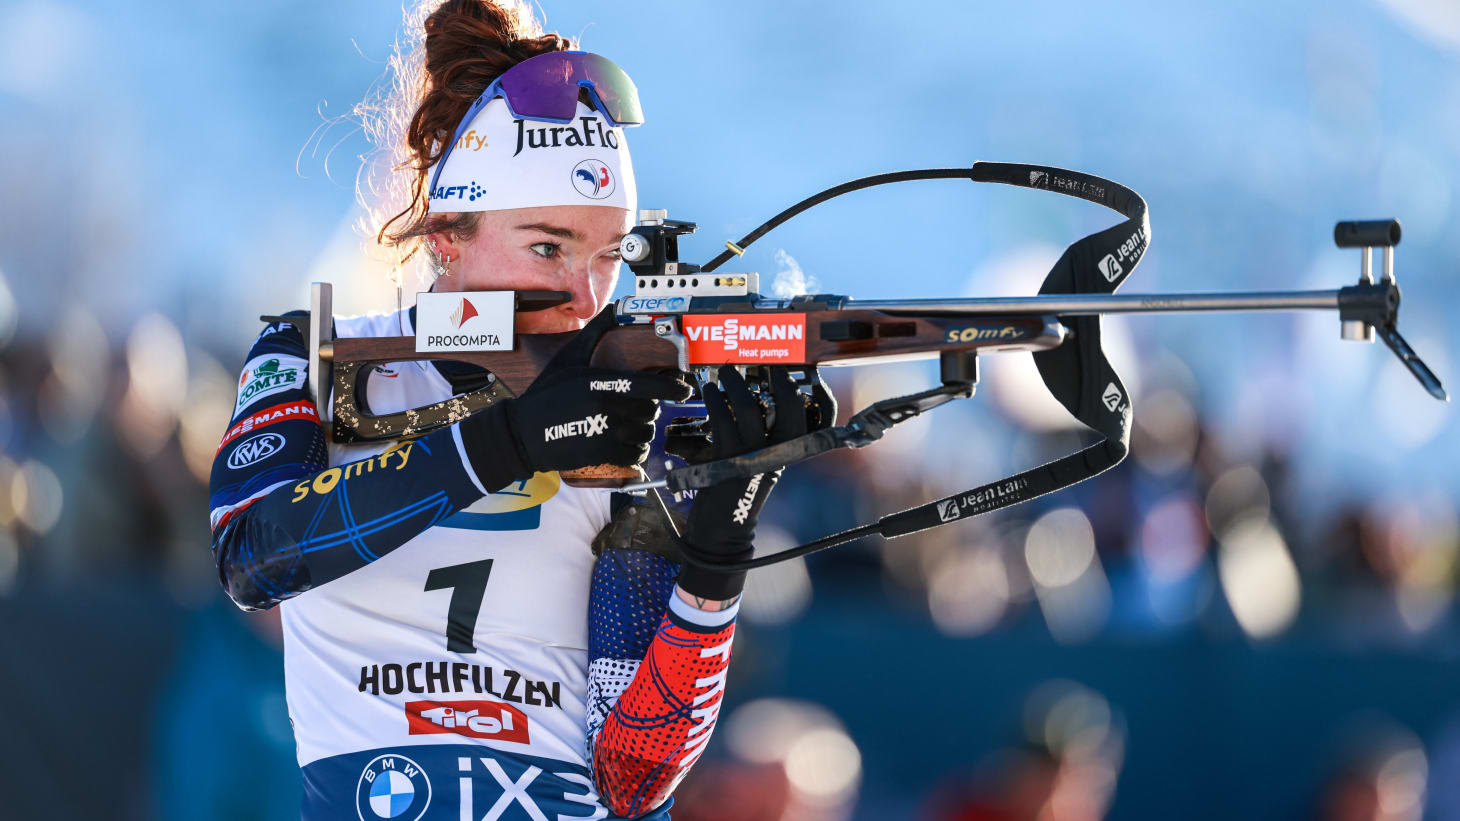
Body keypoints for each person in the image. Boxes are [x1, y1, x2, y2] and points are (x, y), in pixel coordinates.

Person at [206, 1, 831, 818]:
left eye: (608, 255)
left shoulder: (635, 416)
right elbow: (254, 554)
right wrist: (509, 441)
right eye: (547, 247)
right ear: (447, 233)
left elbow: (634, 774)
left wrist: (719, 550)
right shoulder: (317, 356)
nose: (584, 296)